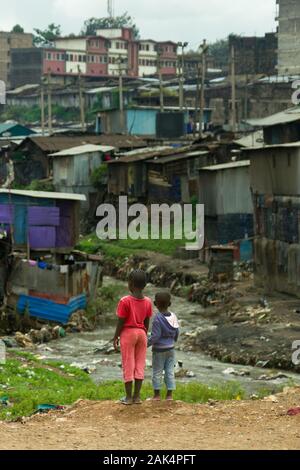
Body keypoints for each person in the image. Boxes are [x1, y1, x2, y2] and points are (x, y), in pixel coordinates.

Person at [114, 270, 153, 405]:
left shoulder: (124, 301)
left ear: (130, 284)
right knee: (140, 364)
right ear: (145, 285)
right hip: (142, 334)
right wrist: (145, 334)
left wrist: (116, 337)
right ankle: (137, 397)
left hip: (128, 333)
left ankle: (128, 398)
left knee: (128, 364)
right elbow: (147, 321)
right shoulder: (148, 301)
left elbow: (121, 321)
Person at [148, 292, 179, 401]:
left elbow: (155, 336)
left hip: (159, 350)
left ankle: (156, 395)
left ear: (155, 303)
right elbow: (177, 331)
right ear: (169, 303)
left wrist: (146, 344)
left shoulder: (157, 319)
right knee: (170, 371)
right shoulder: (174, 316)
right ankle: (169, 395)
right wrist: (174, 340)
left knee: (157, 371)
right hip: (171, 349)